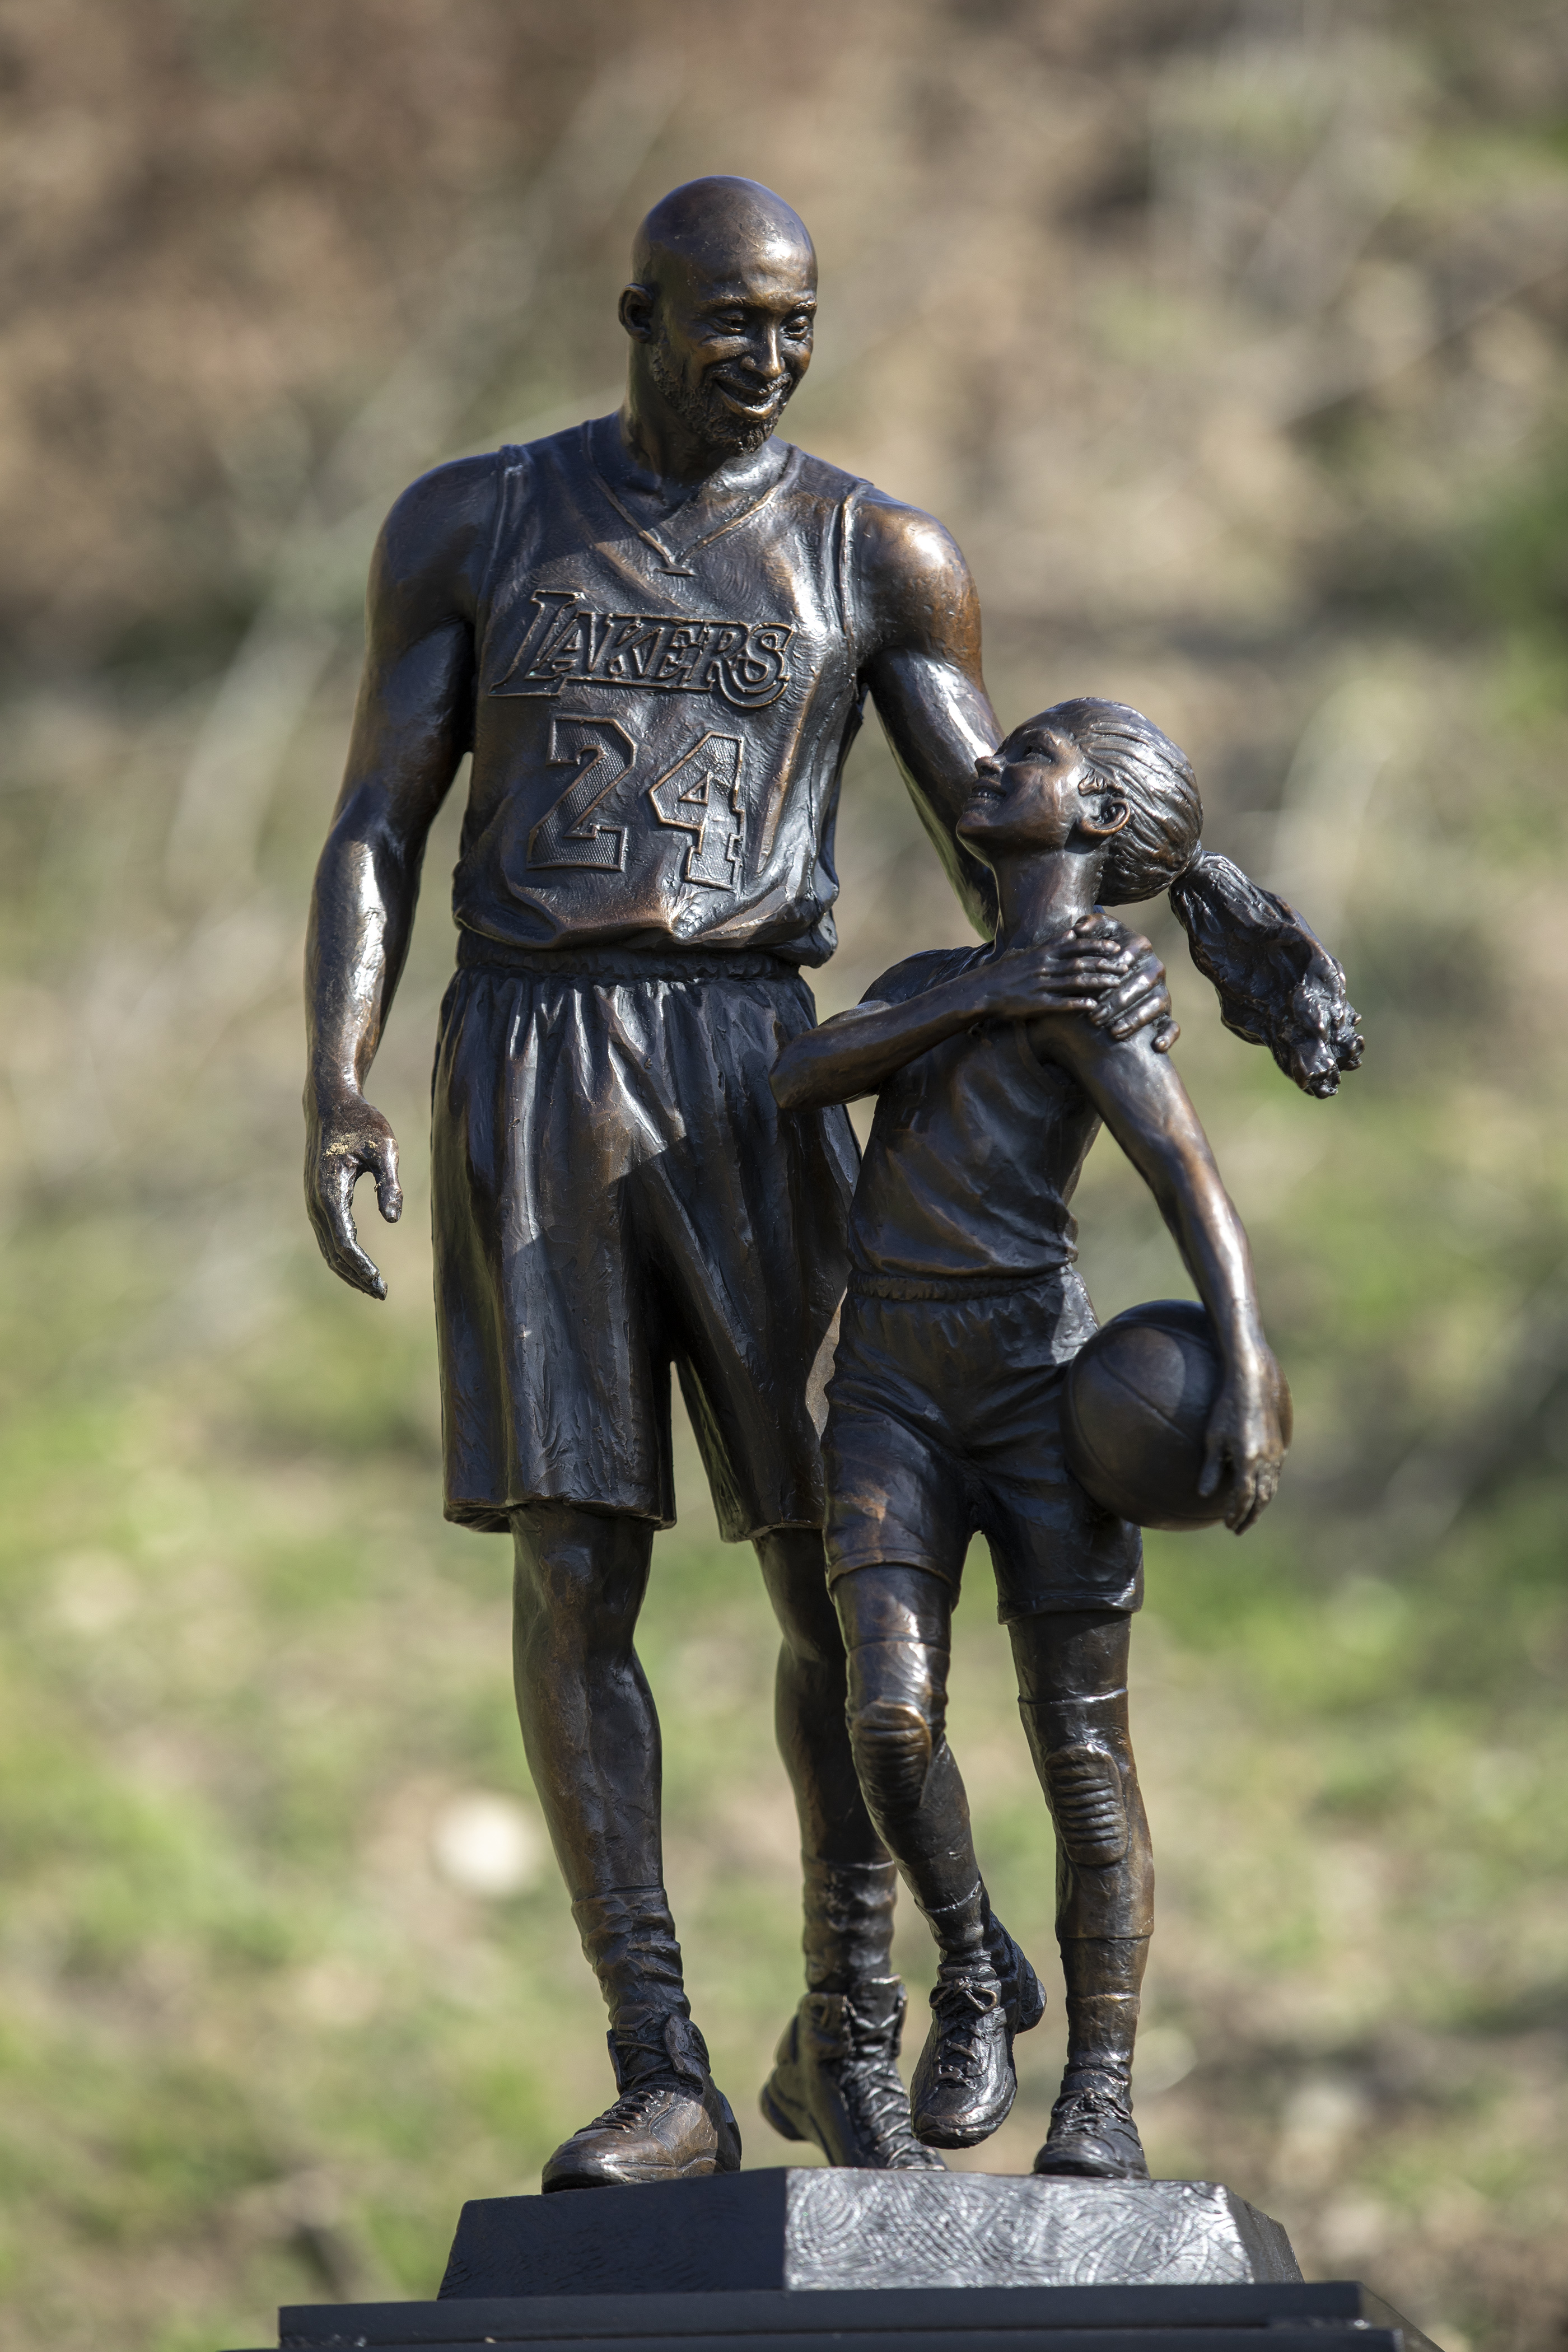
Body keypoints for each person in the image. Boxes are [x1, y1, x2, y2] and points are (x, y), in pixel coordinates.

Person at [302, 174, 1183, 2191]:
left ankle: (853, 2022)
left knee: (830, 1562)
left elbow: (1008, 826)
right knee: (573, 1558)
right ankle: (660, 2062)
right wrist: (334, 1078)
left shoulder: (876, 552)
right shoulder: (472, 523)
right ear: (639, 312)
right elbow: (379, 819)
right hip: (529, 1052)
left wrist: (1201, 911)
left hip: (759, 1066)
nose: (770, 356)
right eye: (733, 320)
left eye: (798, 322)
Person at [771, 698, 1360, 2178]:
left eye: (1025, 756)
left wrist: (1243, 1365)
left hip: (1036, 1389)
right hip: (893, 1389)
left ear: (1095, 817)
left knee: (1082, 1756)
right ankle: (976, 1966)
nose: (986, 763)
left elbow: (1189, 1181)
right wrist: (989, 986)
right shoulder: (943, 978)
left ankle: (1101, 2081)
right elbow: (797, 1076)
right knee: (886, 1722)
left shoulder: (1102, 999)